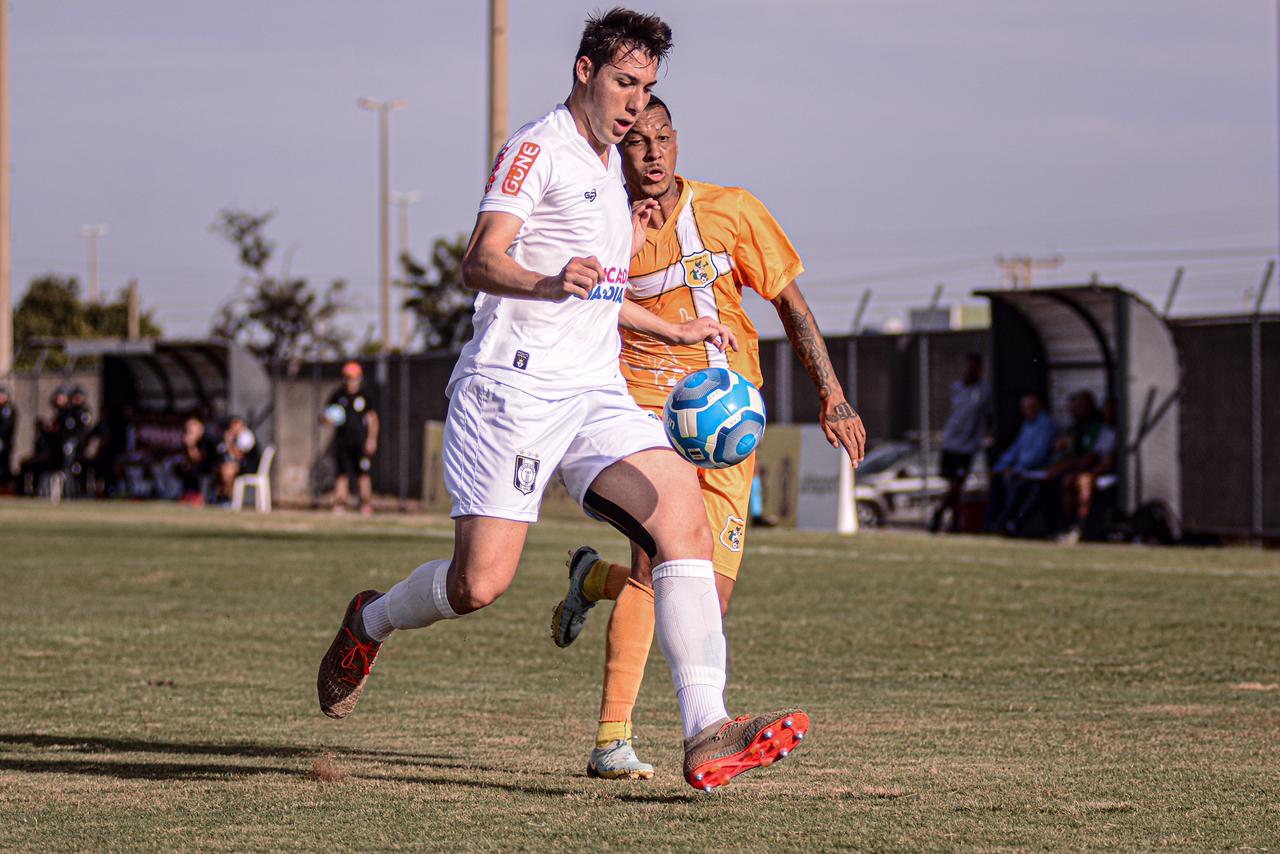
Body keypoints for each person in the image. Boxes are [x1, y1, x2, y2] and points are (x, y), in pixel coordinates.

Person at [316, 9, 811, 794]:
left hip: (593, 391)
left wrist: (671, 328)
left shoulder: (613, 174)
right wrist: (544, 283)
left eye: (646, 87)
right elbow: (481, 260)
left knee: (680, 509)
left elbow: (602, 293)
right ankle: (368, 622)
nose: (633, 102)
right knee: (477, 585)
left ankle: (706, 728)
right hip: (511, 390)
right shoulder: (535, 149)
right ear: (584, 71)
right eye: (623, 81)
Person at [544, 94, 866, 780]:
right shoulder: (599, 226)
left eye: (663, 138)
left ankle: (587, 578)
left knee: (704, 601)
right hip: (641, 419)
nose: (653, 153)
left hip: (727, 427)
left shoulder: (733, 211)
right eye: (637, 142)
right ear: (617, 150)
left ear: (678, 141)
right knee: (654, 570)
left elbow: (791, 304)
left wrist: (832, 396)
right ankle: (613, 741)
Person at [931, 353, 991, 534]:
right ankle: (952, 520)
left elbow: (986, 415)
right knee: (952, 486)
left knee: (958, 485)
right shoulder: (957, 387)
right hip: (951, 443)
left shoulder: (984, 391)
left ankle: (943, 516)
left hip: (967, 446)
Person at [987, 393, 1058, 536]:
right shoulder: (1027, 425)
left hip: (1038, 472)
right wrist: (999, 468)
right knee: (997, 481)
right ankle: (994, 523)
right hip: (1022, 471)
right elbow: (1015, 449)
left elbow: (1039, 455)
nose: (1027, 411)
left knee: (1019, 487)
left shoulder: (1046, 425)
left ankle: (1008, 524)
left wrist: (1015, 469)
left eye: (1031, 407)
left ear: (1039, 407)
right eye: (1025, 408)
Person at [322, 361, 379, 516]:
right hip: (342, 441)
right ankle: (340, 504)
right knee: (342, 474)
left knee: (363, 474)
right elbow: (325, 417)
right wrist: (328, 419)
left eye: (353, 378)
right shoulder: (338, 395)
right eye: (348, 377)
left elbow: (373, 419)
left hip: (360, 441)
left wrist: (371, 439)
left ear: (359, 378)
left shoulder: (365, 396)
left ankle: (366, 504)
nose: (350, 381)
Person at [1059, 396, 1118, 543]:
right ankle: (1068, 525)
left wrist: (1090, 474)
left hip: (1113, 473)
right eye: (1105, 410)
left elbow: (1110, 462)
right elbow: (1094, 455)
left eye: (1109, 410)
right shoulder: (1105, 430)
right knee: (1068, 481)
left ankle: (1082, 526)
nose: (1106, 413)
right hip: (1097, 470)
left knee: (1084, 481)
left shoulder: (1120, 430)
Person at [212, 415, 259, 503]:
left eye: (235, 425)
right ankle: (221, 495)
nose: (233, 428)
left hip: (250, 467)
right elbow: (220, 451)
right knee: (219, 468)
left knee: (228, 470)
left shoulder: (246, 437)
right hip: (237, 466)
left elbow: (238, 455)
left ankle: (229, 498)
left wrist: (229, 442)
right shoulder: (233, 437)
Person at [0, 384, 16, 491]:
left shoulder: (8, 410)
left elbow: (5, 428)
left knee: (4, 466)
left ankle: (6, 487)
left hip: (5, 444)